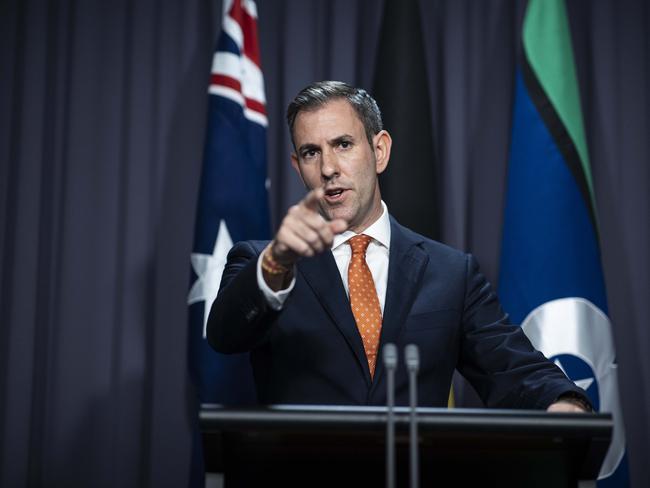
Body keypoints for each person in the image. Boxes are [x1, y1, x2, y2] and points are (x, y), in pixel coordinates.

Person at [207, 80, 590, 412]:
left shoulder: (452, 273)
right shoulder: (262, 262)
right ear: (297, 165)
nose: (327, 168)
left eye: (342, 144)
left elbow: (511, 367)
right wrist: (277, 263)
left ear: (379, 152)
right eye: (311, 152)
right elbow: (225, 336)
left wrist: (565, 403)